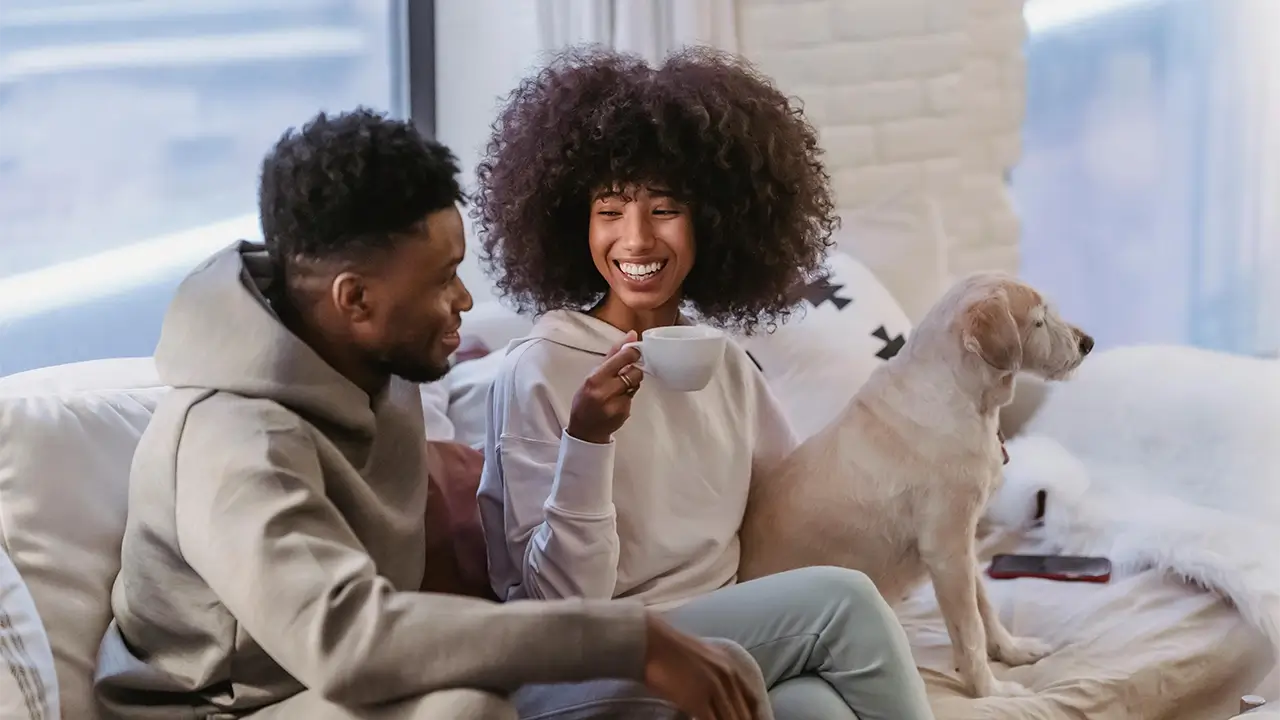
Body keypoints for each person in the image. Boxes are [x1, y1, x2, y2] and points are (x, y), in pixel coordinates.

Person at [93, 108, 769, 720]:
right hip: (230, 709)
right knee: (464, 712)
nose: (466, 300)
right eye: (443, 278)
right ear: (354, 300)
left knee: (727, 676)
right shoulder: (231, 442)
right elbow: (349, 642)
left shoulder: (375, 370)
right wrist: (628, 639)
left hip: (339, 689)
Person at [474, 47, 937, 720]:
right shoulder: (541, 367)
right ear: (574, 223)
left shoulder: (724, 365)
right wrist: (588, 440)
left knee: (817, 709)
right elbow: (563, 607)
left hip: (722, 648)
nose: (635, 239)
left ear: (713, 219)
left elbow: (803, 512)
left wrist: (934, 452)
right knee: (845, 605)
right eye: (610, 210)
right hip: (588, 664)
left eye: (664, 209)